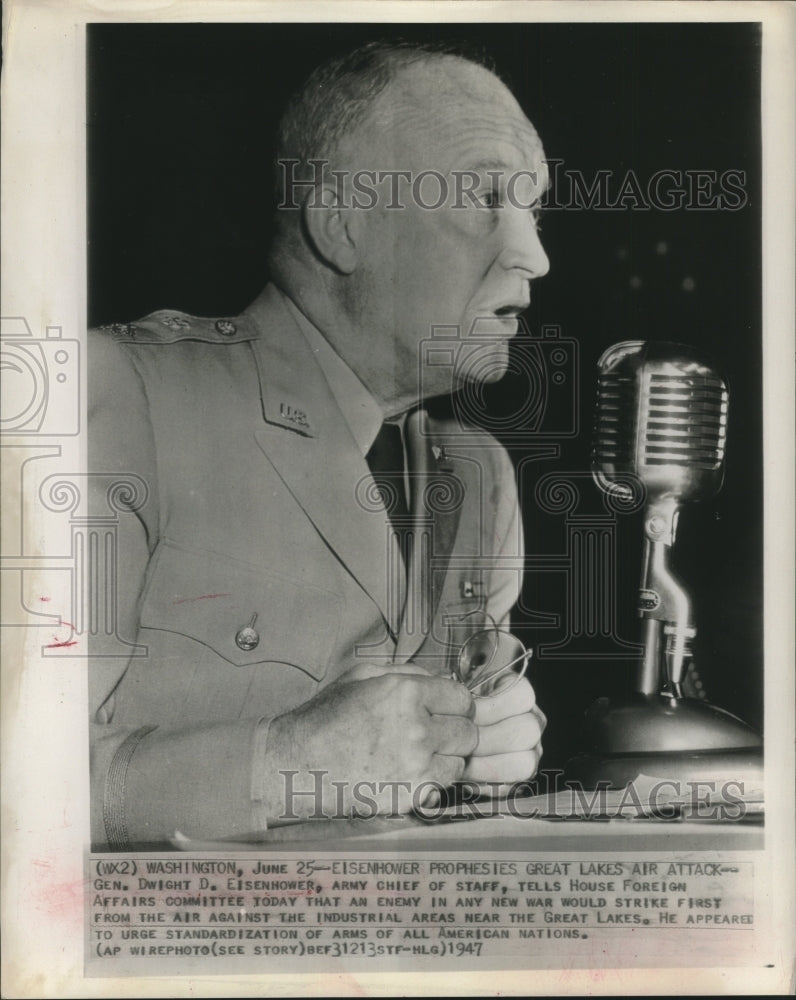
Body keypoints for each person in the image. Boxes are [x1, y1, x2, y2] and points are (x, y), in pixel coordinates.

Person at [88, 41, 550, 849]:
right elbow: (18, 794)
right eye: (484, 197)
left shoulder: (479, 479)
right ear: (342, 224)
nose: (534, 256)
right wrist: (282, 763)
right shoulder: (117, 397)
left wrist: (488, 747)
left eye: (533, 209)